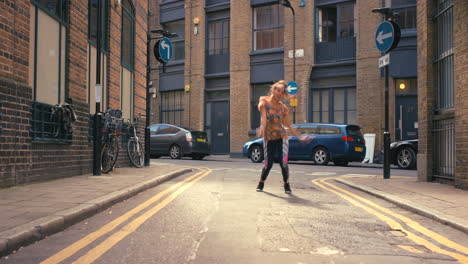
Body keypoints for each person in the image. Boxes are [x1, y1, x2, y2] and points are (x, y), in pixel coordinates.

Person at [256, 80, 310, 194]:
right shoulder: (263, 101)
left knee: (283, 162)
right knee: (268, 164)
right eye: (277, 90)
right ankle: (261, 182)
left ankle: (286, 184)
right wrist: (262, 128)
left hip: (282, 137)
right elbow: (264, 117)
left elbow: (288, 125)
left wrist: (300, 137)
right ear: (273, 89)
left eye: (282, 91)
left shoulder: (284, 108)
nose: (279, 93)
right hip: (269, 138)